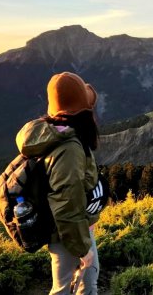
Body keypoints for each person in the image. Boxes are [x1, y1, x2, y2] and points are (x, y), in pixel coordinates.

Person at [15, 72, 101, 294]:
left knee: (79, 283)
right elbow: (66, 204)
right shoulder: (69, 149)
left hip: (70, 232)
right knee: (71, 288)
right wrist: (83, 250)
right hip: (67, 235)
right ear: (82, 113)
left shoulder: (58, 135)